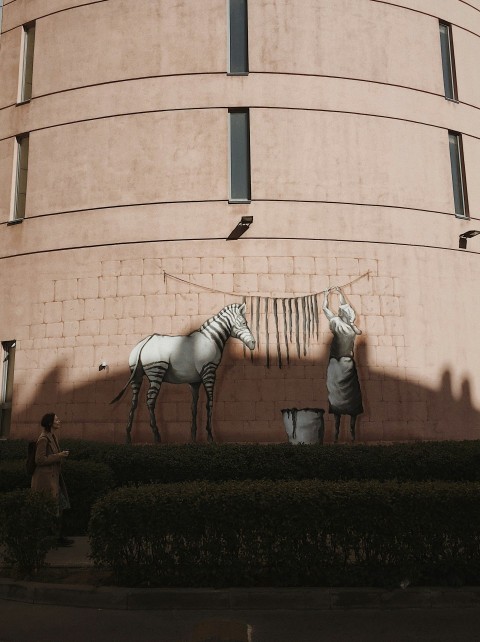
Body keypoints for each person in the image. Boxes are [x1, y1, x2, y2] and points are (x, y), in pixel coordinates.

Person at [322, 287, 363, 442]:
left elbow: (325, 309)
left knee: (338, 400)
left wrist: (327, 295)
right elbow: (345, 309)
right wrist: (340, 295)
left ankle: (337, 434)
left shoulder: (338, 324)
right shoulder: (352, 329)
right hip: (346, 365)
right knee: (350, 400)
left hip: (337, 365)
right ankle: (350, 435)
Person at [31, 413, 73, 546]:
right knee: (49, 509)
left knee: (60, 506)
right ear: (50, 423)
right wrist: (59, 455)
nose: (59, 421)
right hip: (45, 480)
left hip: (54, 478)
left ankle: (57, 537)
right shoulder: (43, 439)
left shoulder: (53, 436)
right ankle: (47, 539)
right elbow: (39, 459)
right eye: (56, 419)